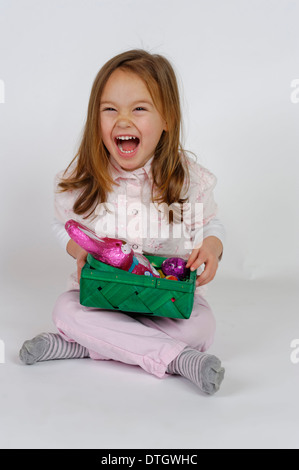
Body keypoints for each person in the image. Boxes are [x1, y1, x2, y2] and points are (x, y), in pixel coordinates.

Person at [19, 49, 226, 395]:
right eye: (110, 109)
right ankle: (176, 359)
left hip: (165, 300)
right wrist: (75, 248)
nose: (123, 120)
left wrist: (212, 247)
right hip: (102, 296)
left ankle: (87, 345)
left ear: (167, 119)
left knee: (201, 327)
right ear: (95, 118)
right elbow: (61, 225)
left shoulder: (185, 180)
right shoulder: (86, 179)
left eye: (140, 108)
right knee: (66, 309)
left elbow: (210, 225)